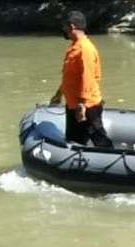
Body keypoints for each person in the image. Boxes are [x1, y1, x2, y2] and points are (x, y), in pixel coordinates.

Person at [48, 11, 113, 149]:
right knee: (74, 142)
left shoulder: (84, 49)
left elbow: (88, 77)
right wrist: (59, 94)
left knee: (100, 140)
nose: (63, 30)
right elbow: (70, 76)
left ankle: (115, 163)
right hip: (73, 105)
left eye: (64, 26)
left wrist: (82, 105)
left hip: (87, 107)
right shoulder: (74, 47)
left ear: (71, 27)